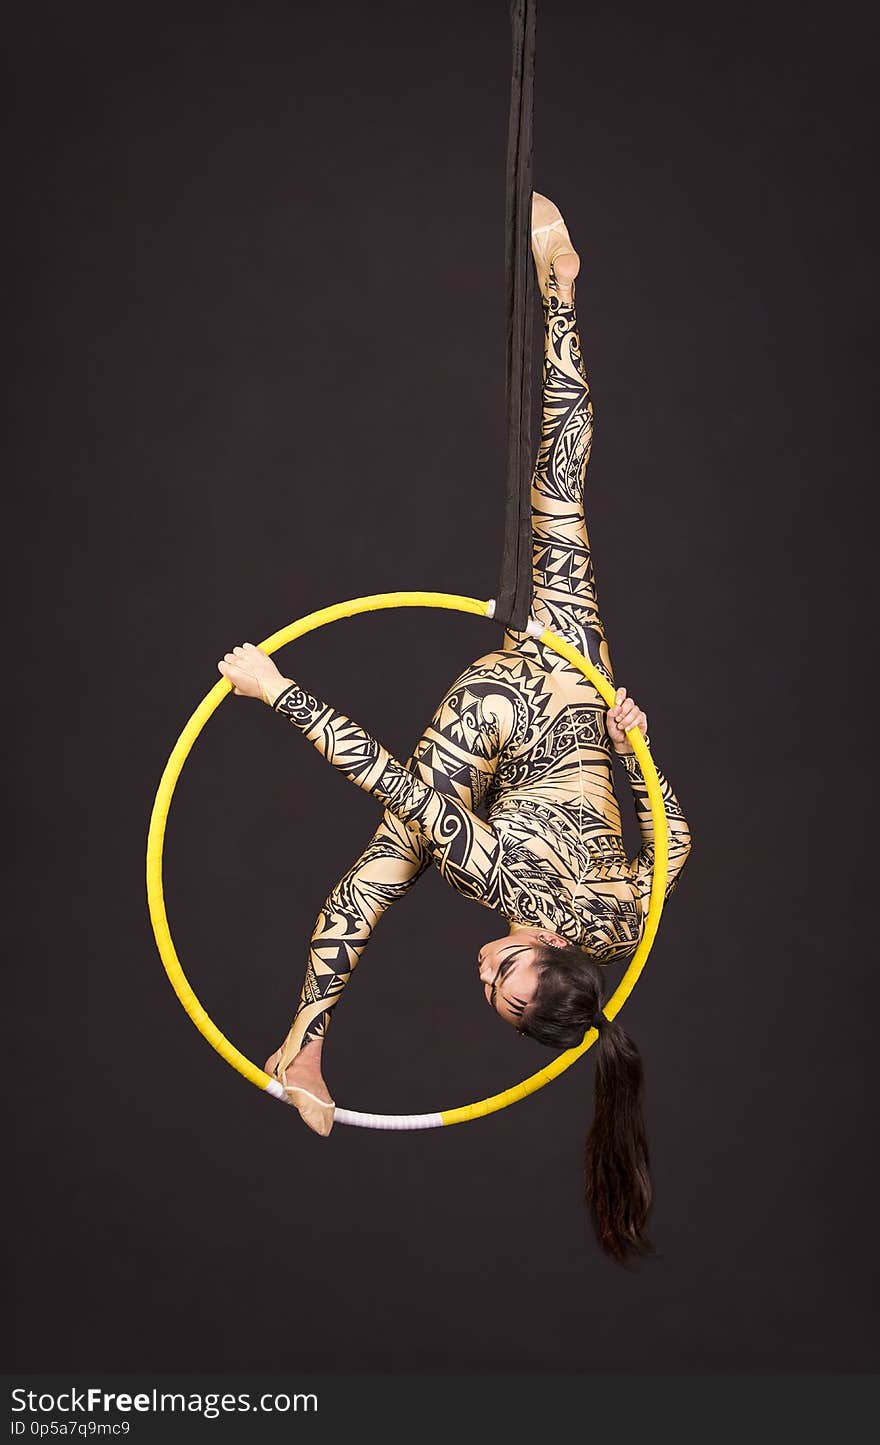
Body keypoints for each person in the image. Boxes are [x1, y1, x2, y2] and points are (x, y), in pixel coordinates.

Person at [219, 194, 692, 1262]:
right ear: (543, 943)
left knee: (560, 494)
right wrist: (276, 687)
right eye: (500, 969)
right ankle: (304, 1045)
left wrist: (633, 751)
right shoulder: (507, 890)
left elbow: (679, 840)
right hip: (506, 708)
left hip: (576, 687)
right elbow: (397, 783)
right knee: (392, 853)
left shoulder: (622, 925)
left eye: (490, 989)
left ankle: (559, 290)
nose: (480, 965)